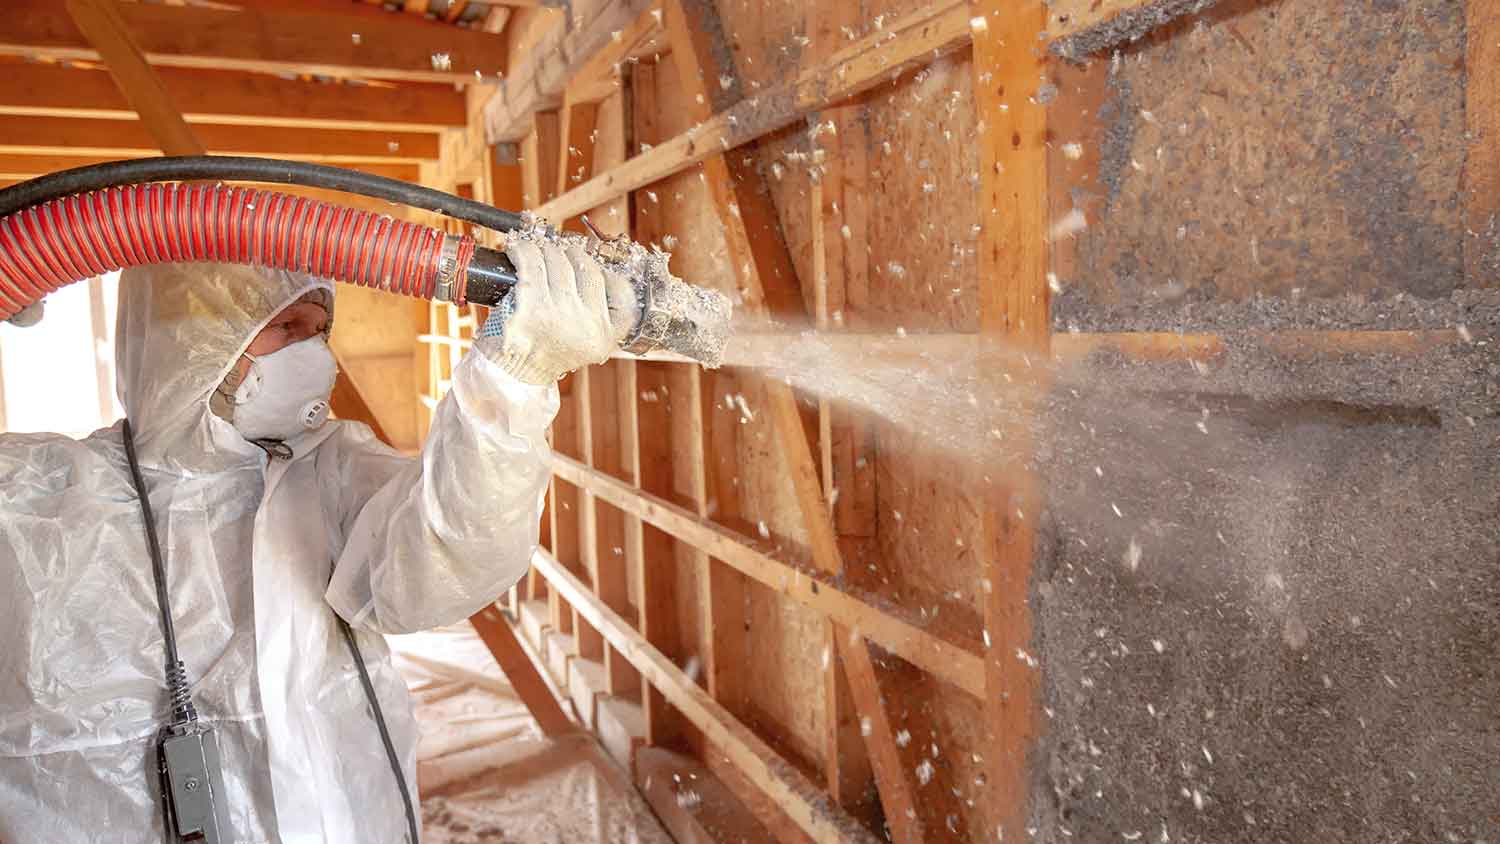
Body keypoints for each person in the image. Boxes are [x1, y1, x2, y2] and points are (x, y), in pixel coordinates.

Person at [0, 236, 636, 842]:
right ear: (192, 336)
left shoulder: (330, 469)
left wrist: (512, 382)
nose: (316, 355)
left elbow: (443, 563)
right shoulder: (44, 498)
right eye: (285, 328)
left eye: (319, 329)